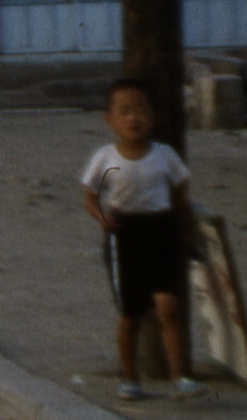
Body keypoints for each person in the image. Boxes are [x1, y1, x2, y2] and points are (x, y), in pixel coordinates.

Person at [78, 77, 201, 401]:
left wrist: (188, 234)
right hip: (124, 235)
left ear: (154, 117)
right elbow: (89, 196)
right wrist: (102, 217)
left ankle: (181, 377)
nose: (133, 118)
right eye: (124, 111)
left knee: (168, 306)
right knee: (130, 313)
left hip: (161, 231)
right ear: (110, 119)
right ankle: (130, 377)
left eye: (141, 111)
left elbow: (180, 198)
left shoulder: (165, 156)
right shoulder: (106, 157)